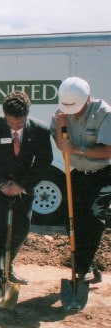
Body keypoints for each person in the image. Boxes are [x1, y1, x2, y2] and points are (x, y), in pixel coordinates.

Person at [0, 91, 52, 285]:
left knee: (21, 228)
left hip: (24, 186)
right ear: (4, 115)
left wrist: (22, 184)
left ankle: (8, 265)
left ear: (27, 115)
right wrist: (1, 184)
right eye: (11, 123)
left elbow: (45, 161)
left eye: (19, 124)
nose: (15, 128)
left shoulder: (40, 129)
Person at [50, 77, 111, 284]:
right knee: (71, 220)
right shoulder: (62, 113)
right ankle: (87, 263)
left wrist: (76, 149)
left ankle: (82, 268)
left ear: (87, 98)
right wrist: (61, 126)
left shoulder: (104, 113)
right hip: (78, 173)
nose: (71, 111)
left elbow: (108, 150)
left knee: (94, 217)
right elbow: (61, 145)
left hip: (103, 172)